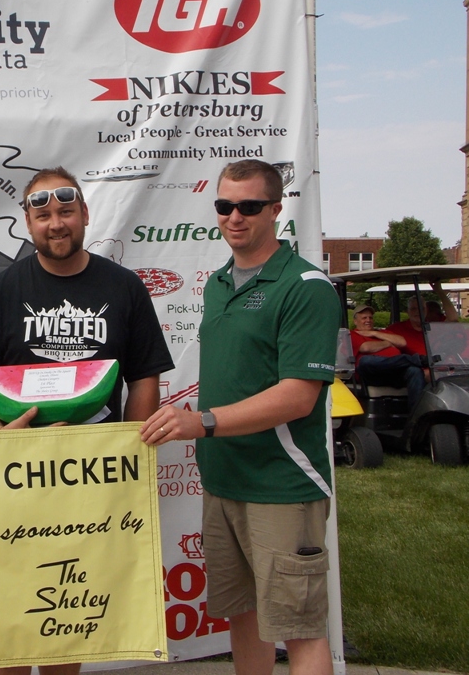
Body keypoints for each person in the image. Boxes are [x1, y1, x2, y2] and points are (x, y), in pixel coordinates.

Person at [0, 166, 174, 675]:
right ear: (28, 222)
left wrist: (127, 448)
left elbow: (144, 377)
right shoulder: (1, 290)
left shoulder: (124, 287)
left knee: (67, 617)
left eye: (66, 212)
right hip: (15, 480)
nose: (56, 223)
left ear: (85, 215)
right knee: (8, 623)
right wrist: (0, 438)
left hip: (90, 482)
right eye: (44, 214)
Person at [140, 159, 339, 675]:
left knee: (299, 629)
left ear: (275, 209)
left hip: (281, 485)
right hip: (223, 481)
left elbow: (298, 396)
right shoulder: (219, 283)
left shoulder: (306, 286)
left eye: (249, 206)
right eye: (225, 206)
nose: (235, 217)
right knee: (243, 617)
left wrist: (202, 422)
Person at [357, 288, 457, 411]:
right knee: (366, 361)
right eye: (414, 309)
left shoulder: (432, 327)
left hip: (431, 369)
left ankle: (419, 416)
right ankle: (420, 361)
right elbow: (367, 347)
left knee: (419, 372)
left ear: (426, 310)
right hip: (400, 371)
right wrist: (381, 337)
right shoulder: (396, 328)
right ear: (407, 311)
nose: (418, 312)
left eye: (422, 308)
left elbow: (453, 319)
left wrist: (439, 289)